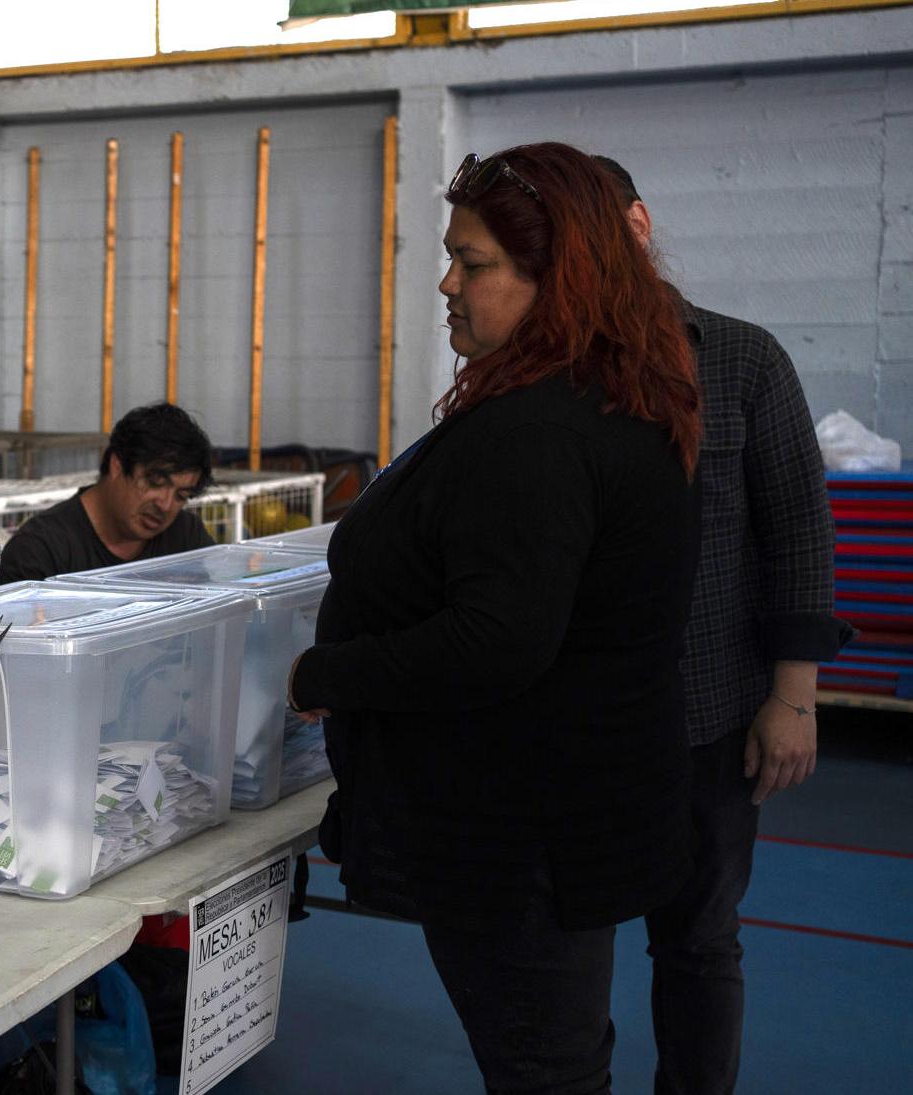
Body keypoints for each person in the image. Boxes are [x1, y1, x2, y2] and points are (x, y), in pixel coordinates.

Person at [288, 143, 703, 1091]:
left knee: (541, 1065)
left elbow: (495, 640)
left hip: (518, 835)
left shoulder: (538, 433)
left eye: (473, 264)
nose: (447, 283)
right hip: (570, 816)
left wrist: (323, 675)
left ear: (557, 279)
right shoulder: (612, 398)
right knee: (558, 1054)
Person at [595, 154, 849, 1095]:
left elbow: (798, 532)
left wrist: (794, 698)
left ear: (638, 225)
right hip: (578, 725)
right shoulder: (543, 376)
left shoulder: (742, 359)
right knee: (564, 941)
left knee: (697, 942)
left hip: (709, 713)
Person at [0, 402, 214, 584]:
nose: (165, 505)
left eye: (181, 496)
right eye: (155, 482)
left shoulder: (186, 537)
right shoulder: (40, 550)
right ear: (116, 465)